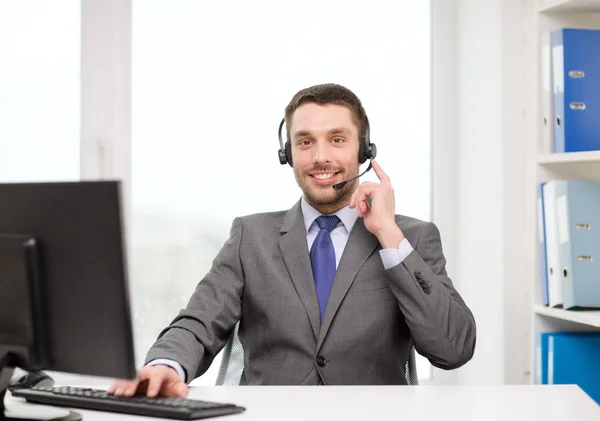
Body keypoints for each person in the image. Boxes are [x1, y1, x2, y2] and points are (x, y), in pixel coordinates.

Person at [109, 83, 476, 397]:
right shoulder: (250, 237)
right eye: (305, 142)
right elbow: (199, 320)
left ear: (364, 150)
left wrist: (389, 236)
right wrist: (166, 365)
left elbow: (454, 349)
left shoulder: (411, 238)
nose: (320, 157)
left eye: (336, 139)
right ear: (287, 154)